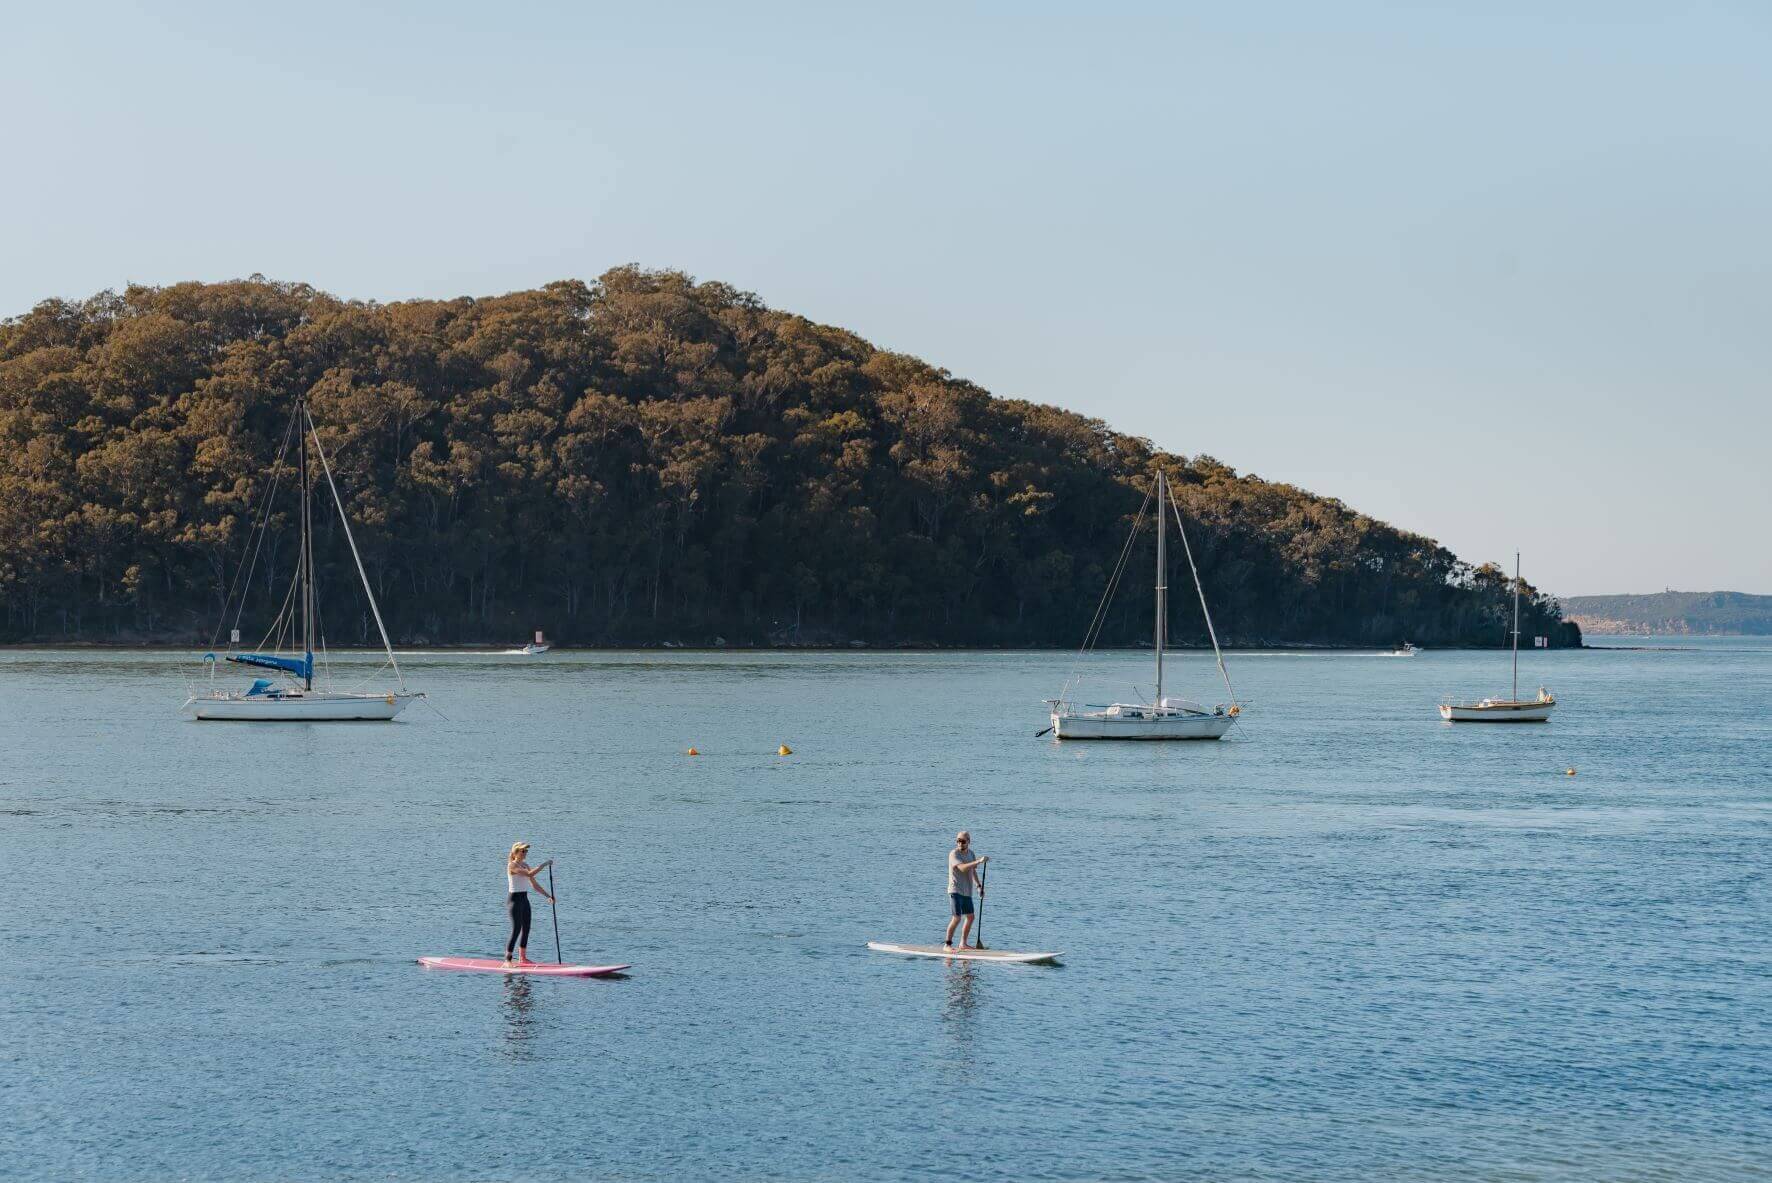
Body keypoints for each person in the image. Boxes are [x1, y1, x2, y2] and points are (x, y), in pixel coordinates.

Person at [504, 841, 555, 966]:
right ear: (516, 852)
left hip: (524, 899)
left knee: (526, 928)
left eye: (526, 851)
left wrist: (548, 896)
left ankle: (522, 958)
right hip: (514, 900)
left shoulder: (525, 864)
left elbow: (534, 885)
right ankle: (507, 960)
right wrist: (544, 864)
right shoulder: (512, 865)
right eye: (523, 850)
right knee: (516, 929)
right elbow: (530, 873)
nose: (526, 852)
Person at [944, 831, 988, 951]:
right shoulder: (954, 854)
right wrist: (978, 861)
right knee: (957, 918)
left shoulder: (971, 854)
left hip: (967, 891)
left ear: (969, 841)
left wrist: (979, 886)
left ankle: (963, 943)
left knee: (970, 917)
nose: (960, 843)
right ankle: (947, 945)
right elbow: (962, 868)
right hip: (955, 890)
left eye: (963, 841)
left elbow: (972, 871)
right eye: (958, 840)